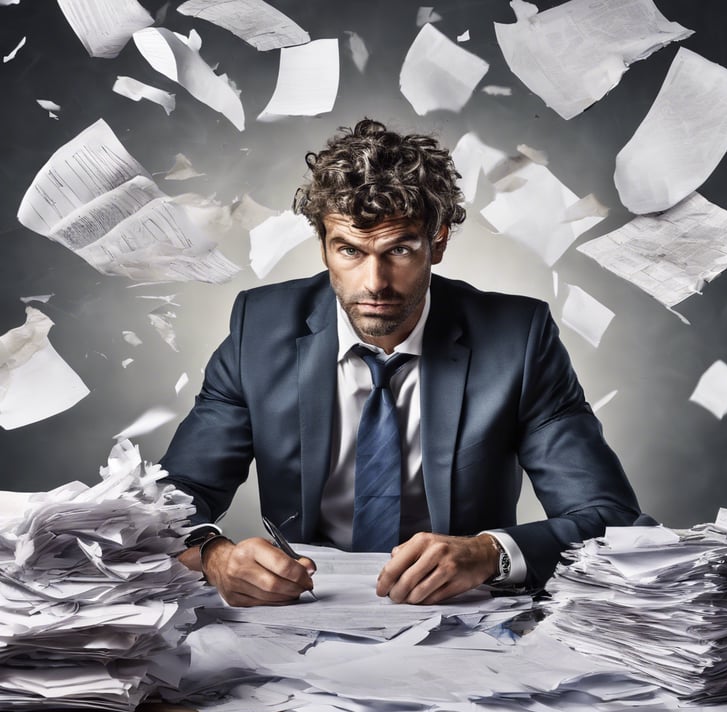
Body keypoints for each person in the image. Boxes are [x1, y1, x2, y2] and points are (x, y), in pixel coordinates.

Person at [162, 118, 642, 607]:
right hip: (301, 611)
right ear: (324, 246)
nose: (374, 282)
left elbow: (611, 516)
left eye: (400, 249)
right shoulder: (259, 331)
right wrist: (212, 553)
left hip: (463, 616)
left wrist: (490, 553)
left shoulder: (517, 339)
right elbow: (174, 496)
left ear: (438, 243)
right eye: (349, 250)